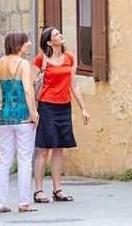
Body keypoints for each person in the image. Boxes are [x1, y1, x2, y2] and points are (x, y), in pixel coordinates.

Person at [0, 31, 39, 213]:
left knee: (4, 161)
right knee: (24, 161)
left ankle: (0, 203)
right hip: (23, 116)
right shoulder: (23, 64)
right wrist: (33, 113)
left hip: (6, 117)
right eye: (26, 41)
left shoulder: (0, 63)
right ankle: (23, 203)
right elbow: (28, 91)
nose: (29, 44)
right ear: (18, 44)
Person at [32, 27, 90, 204]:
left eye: (59, 33)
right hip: (46, 106)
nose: (60, 35)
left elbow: (74, 84)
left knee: (59, 148)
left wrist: (83, 108)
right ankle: (38, 190)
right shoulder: (41, 59)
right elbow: (30, 84)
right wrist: (33, 110)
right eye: (56, 34)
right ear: (49, 42)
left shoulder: (69, 58)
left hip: (64, 106)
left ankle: (57, 189)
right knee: (44, 149)